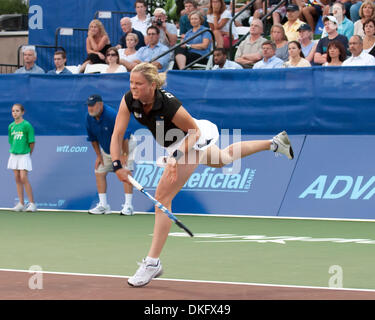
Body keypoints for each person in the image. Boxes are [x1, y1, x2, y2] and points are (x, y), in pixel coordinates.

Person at [109, 62, 294, 287]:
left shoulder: (168, 104)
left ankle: (152, 263)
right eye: (131, 82)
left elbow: (194, 132)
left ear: (152, 85)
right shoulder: (129, 99)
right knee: (222, 159)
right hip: (175, 144)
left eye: (138, 83)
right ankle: (274, 143)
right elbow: (117, 134)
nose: (133, 87)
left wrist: (175, 158)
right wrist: (118, 164)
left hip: (191, 139)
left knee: (162, 200)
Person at [86, 94, 136, 216]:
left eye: (93, 106)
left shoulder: (112, 115)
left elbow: (125, 136)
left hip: (125, 145)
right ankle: (104, 205)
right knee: (99, 171)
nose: (90, 108)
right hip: (106, 149)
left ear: (100, 105)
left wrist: (124, 155)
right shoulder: (89, 117)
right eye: (88, 106)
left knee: (125, 172)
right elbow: (93, 138)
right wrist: (98, 155)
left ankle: (128, 206)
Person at [7, 103, 37, 212]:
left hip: (24, 154)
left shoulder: (27, 125)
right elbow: (11, 141)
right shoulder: (11, 126)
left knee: (24, 177)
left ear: (22, 112)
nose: (15, 113)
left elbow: (31, 142)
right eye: (13, 111)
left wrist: (28, 154)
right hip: (14, 155)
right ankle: (21, 203)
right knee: (17, 178)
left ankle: (32, 204)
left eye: (17, 111)